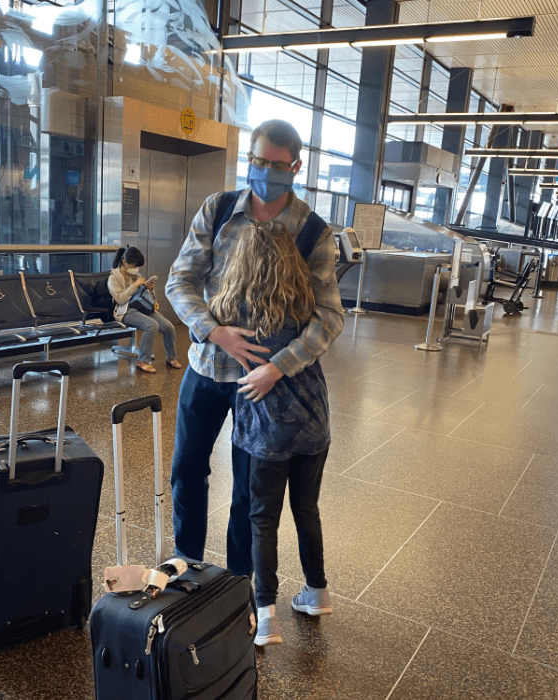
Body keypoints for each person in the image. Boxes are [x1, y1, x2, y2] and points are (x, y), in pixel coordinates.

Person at [165, 119, 344, 578]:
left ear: (296, 167)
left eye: (277, 165)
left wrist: (280, 368)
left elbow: (329, 317)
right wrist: (212, 330)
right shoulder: (220, 208)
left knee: (249, 492)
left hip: (265, 383)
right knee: (187, 469)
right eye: (258, 161)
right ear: (249, 159)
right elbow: (180, 280)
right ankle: (187, 560)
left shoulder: (313, 232)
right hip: (207, 366)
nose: (266, 172)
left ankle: (239, 584)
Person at [208, 220, 334, 646]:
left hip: (266, 429)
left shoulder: (234, 307)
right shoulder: (306, 303)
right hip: (314, 420)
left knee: (262, 519)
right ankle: (317, 592)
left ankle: (266, 616)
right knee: (306, 509)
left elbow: (201, 328)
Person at [108, 246, 182, 373]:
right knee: (151, 325)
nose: (136, 269)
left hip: (143, 308)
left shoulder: (137, 274)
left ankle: (171, 357)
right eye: (133, 266)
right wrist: (134, 286)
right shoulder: (114, 278)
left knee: (169, 327)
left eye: (137, 267)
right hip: (125, 311)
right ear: (125, 263)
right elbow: (120, 299)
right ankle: (143, 361)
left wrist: (150, 288)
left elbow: (144, 295)